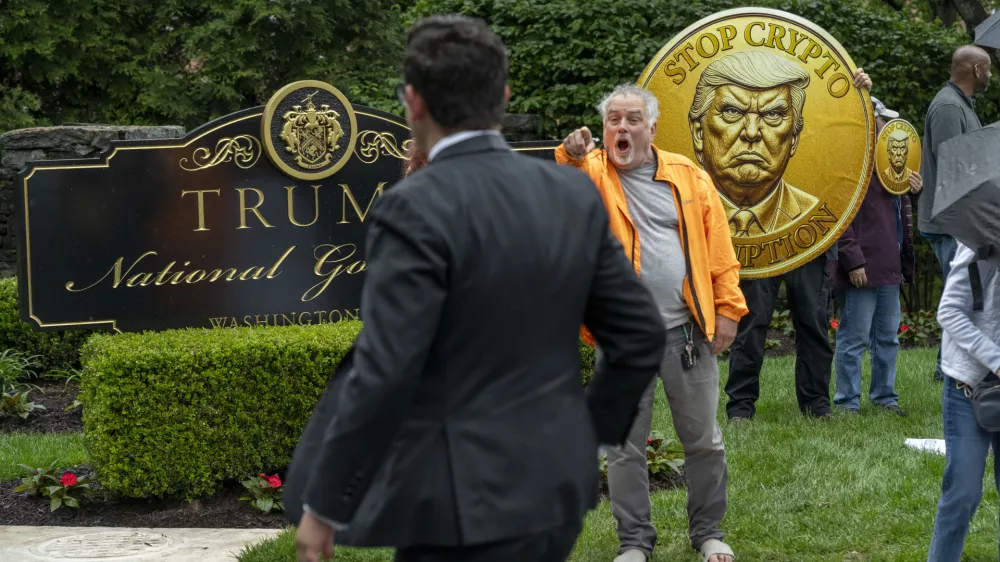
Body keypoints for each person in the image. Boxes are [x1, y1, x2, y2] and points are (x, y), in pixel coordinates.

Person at [294, 15, 668, 562]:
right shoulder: (569, 193)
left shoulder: (412, 205)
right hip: (551, 493)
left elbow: (386, 367)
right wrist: (583, 435)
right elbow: (640, 333)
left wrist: (324, 505)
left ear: (413, 102)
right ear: (504, 94)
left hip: (453, 503)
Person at [556, 83, 748, 562]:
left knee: (703, 441)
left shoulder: (688, 175)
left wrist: (727, 309)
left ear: (652, 128)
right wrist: (571, 152)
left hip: (685, 333)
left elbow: (721, 252)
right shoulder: (592, 171)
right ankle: (635, 542)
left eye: (632, 120)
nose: (621, 128)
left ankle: (708, 533)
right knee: (624, 446)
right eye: (613, 120)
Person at [723, 69, 873, 420]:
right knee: (753, 322)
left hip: (811, 237)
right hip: (759, 236)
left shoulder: (822, 108)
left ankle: (816, 404)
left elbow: (856, 141)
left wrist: (861, 96)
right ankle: (741, 407)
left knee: (813, 321)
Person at [828, 98, 921, 417]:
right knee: (854, 338)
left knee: (887, 338)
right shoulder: (849, 165)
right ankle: (847, 402)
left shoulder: (888, 165)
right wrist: (853, 260)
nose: (885, 127)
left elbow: (896, 214)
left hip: (888, 265)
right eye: (880, 120)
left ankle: (884, 397)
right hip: (862, 266)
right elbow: (841, 218)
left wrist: (912, 191)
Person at [919, 45, 992, 382]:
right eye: (988, 69)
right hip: (951, 224)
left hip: (960, 222)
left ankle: (945, 371)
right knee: (960, 302)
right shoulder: (948, 107)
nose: (991, 75)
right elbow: (954, 168)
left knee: (964, 300)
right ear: (976, 70)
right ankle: (947, 372)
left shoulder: (961, 105)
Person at [687, 51, 817, 237]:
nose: (751, 132)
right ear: (699, 133)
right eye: (732, 111)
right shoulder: (670, 211)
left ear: (793, 138)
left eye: (772, 115)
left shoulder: (813, 213)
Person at [927, 242, 1000, 561]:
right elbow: (950, 313)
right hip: (968, 386)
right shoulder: (979, 245)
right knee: (963, 494)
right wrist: (997, 361)